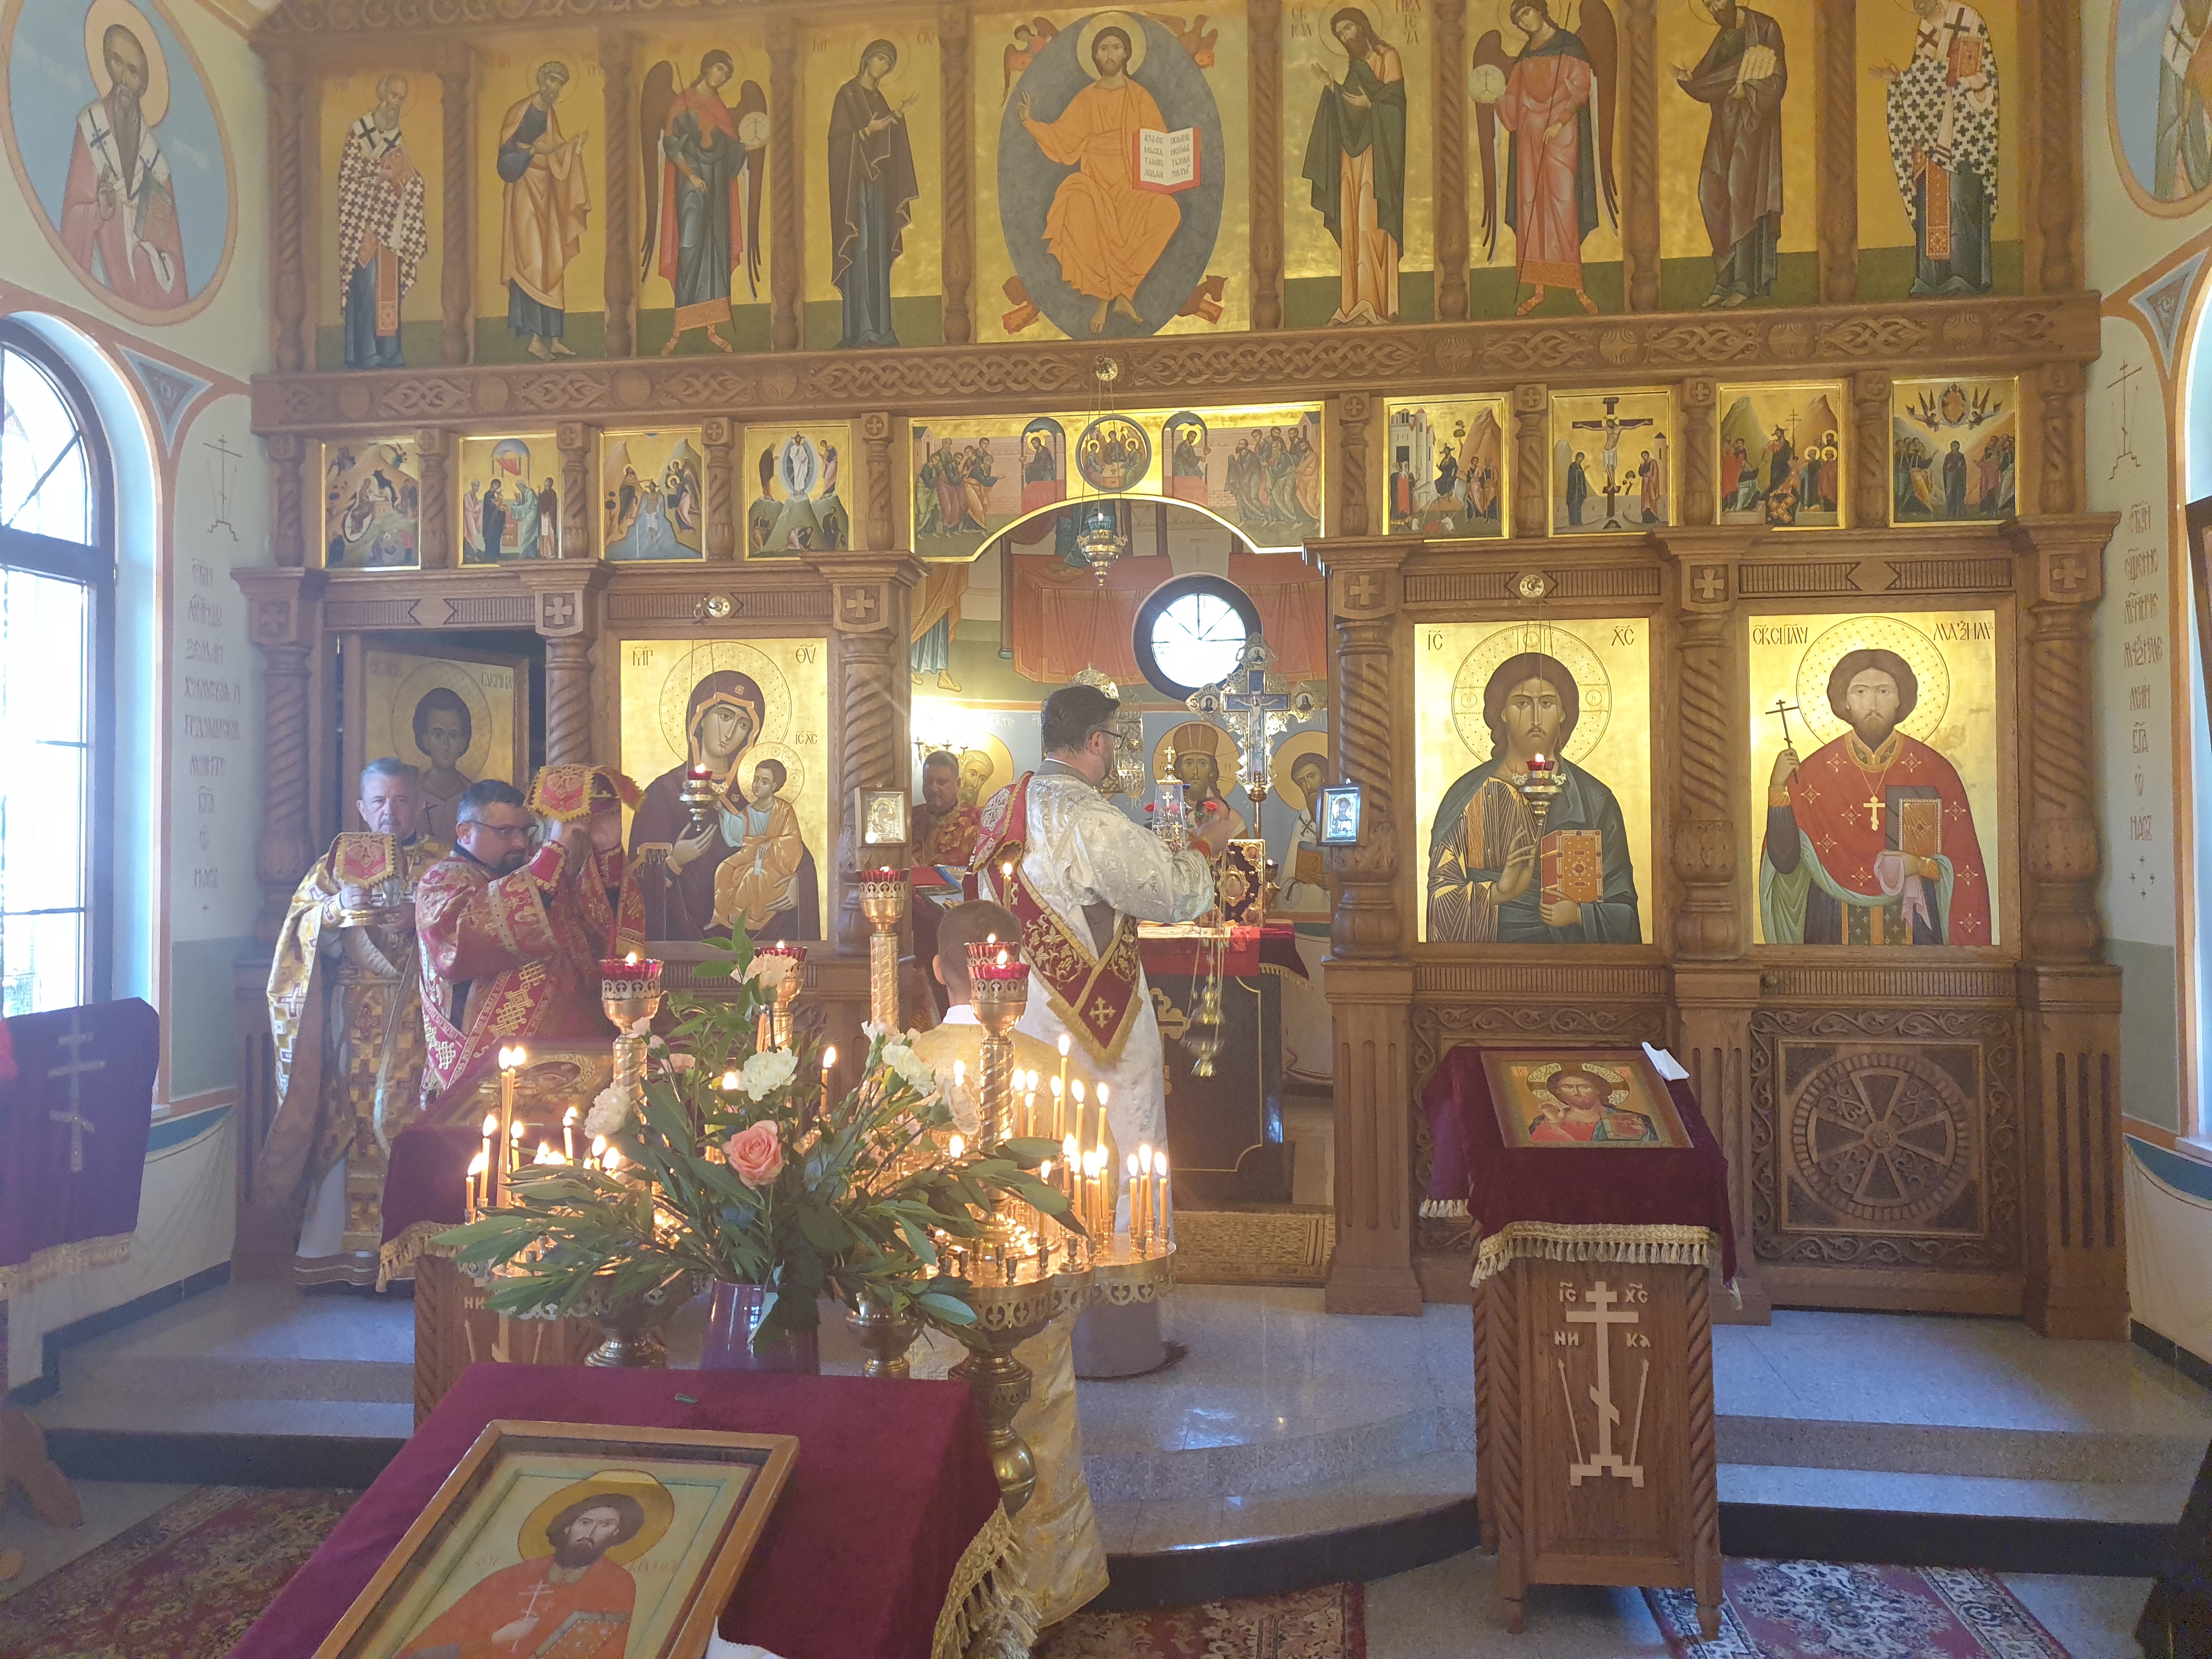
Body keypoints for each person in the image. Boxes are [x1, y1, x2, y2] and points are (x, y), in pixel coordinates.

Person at [905, 901, 1112, 1628]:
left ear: (939, 970)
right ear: (1017, 972)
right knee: (1038, 1432)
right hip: (1035, 1302)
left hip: (930, 1307)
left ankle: (943, 1601)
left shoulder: (903, 1066)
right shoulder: (1055, 1072)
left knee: (936, 1438)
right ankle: (1039, 1601)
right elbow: (1097, 1195)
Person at [974, 684, 1233, 1170]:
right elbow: (1175, 893)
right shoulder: (1090, 818)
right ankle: (1122, 1222)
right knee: (1115, 1141)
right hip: (1092, 1026)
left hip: (1018, 1012)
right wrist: (1206, 846)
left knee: (1037, 1142)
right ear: (1096, 741)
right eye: (1114, 739)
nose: (1115, 749)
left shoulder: (1003, 806)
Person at [260, 760, 445, 1288]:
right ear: (362, 809)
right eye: (379, 801)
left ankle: (411, 1260)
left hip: (418, 1016)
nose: (391, 812)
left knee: (411, 1120)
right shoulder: (335, 865)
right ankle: (338, 1254)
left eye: (402, 800)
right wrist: (335, 910)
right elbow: (295, 933)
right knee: (349, 1118)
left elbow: (466, 925)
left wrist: (420, 918)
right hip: (352, 1018)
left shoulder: (441, 864)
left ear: (420, 805)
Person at [415, 771, 644, 1102]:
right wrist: (554, 848)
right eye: (506, 831)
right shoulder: (442, 882)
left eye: (526, 831)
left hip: (566, 1063)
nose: (520, 843)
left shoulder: (541, 880)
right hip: (482, 1068)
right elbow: (462, 947)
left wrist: (607, 848)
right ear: (465, 832)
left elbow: (598, 938)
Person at [1761, 648, 1990, 945]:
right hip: (1832, 924)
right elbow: (1786, 861)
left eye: (1884, 691)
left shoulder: (1935, 771)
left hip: (1916, 930)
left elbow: (1964, 862)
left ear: (1900, 700)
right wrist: (1778, 788)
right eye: (1860, 692)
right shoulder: (1812, 773)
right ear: (1845, 701)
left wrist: (1921, 866)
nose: (1872, 703)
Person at [1426, 652, 1639, 944]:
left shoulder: (1594, 800)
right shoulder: (1468, 797)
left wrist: (1581, 914)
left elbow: (1625, 910)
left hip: (1574, 961)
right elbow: (1440, 902)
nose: (1536, 718)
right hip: (1490, 961)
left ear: (1563, 713)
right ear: (1503, 712)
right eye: (1522, 703)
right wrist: (1499, 892)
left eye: (1547, 704)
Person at [1018, 25, 1182, 336]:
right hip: (1094, 183)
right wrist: (1030, 123)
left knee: (1168, 212)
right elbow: (1063, 139)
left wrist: (1183, 155)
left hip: (1133, 187)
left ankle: (1115, 295)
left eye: (1116, 47)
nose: (1110, 54)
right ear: (1094, 55)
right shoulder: (1086, 99)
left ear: (1126, 54)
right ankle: (1113, 297)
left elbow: (1158, 144)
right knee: (1075, 204)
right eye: (1103, 48)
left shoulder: (1140, 98)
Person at [398, 1477, 654, 1659]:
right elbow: (422, 1652)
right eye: (585, 1522)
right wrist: (494, 1641)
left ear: (617, 1533)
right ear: (568, 1526)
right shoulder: (508, 1579)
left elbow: (606, 1651)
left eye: (606, 1525)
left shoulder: (615, 1583)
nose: (592, 1532)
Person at [1871, 0, 1998, 297]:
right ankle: (1933, 279)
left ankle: (1964, 276)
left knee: (1960, 197)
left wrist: (1917, 80)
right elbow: (1925, 77)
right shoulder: (1926, 27)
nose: (1917, 7)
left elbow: (1976, 74)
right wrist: (1902, 80)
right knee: (1930, 199)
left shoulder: (1968, 19)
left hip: (1965, 134)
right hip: (1932, 133)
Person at [61, 24, 189, 313]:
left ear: (144, 84)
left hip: (142, 280)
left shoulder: (156, 161)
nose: (122, 78)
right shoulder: (92, 126)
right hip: (100, 266)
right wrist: (99, 211)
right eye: (117, 62)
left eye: (133, 71)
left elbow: (170, 251)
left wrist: (148, 253)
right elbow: (74, 214)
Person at [1489, 1, 1603, 317]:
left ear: (1541, 10)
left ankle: (1577, 286)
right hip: (1529, 140)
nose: (1523, 22)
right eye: (1517, 19)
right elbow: (1512, 98)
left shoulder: (1571, 46)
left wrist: (1560, 122)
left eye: (1526, 13)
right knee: (1531, 206)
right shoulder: (1525, 55)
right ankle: (1538, 289)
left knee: (1564, 204)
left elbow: (1580, 90)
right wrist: (1492, 95)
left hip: (1560, 138)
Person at [1672, 0, 1787, 307]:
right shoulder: (1724, 36)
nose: (1713, 9)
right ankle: (1724, 277)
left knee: (1741, 195)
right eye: (1707, 4)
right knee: (1709, 191)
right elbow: (1711, 77)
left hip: (1752, 129)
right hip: (1723, 124)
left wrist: (1747, 89)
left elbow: (1777, 81)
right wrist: (1691, 79)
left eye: (1716, 1)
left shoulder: (1766, 27)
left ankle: (1742, 282)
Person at [1302, 8, 1407, 326]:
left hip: (1378, 155)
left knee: (1370, 224)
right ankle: (1353, 305)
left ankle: (1376, 305)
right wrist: (1332, 87)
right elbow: (1349, 104)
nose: (1345, 37)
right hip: (1351, 157)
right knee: (1352, 225)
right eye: (1340, 34)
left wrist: (1371, 104)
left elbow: (1396, 103)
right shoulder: (1355, 66)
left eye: (1348, 28)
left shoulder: (1387, 57)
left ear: (1362, 26)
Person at [652, 50, 761, 356]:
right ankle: (680, 326)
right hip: (691, 187)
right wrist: (691, 175)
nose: (722, 77)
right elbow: (671, 146)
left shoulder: (719, 107)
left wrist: (747, 145)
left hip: (717, 189)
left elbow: (728, 151)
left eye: (727, 74)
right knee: (689, 246)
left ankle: (712, 327)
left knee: (716, 249)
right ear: (705, 68)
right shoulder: (682, 103)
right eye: (719, 69)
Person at [829, 41, 922, 348]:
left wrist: (897, 116)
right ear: (867, 59)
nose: (883, 67)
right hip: (854, 189)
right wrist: (866, 132)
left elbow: (886, 137)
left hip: (879, 188)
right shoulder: (847, 94)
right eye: (880, 59)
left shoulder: (879, 98)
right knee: (861, 247)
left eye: (888, 64)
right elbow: (837, 143)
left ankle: (881, 329)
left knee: (878, 251)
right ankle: (859, 330)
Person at [497, 61, 591, 361]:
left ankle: (554, 337)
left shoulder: (551, 115)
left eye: (560, 83)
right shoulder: (519, 112)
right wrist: (534, 151)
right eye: (552, 80)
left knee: (552, 260)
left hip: (547, 191)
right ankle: (535, 340)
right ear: (541, 80)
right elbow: (504, 162)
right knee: (533, 261)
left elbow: (557, 152)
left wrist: (574, 148)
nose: (555, 88)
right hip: (525, 191)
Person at [336, 75, 427, 369]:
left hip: (390, 228)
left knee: (389, 288)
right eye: (393, 96)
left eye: (401, 98)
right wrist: (380, 175)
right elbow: (347, 181)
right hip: (363, 227)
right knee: (367, 287)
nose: (396, 104)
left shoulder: (395, 137)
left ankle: (389, 352)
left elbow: (407, 176)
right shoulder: (359, 131)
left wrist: (412, 184)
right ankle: (365, 352)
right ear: (381, 95)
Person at [710, 758, 819, 938]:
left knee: (751, 876)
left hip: (773, 859)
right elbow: (737, 833)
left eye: (765, 781)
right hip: (749, 853)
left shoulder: (784, 810)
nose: (757, 784)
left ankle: (742, 915)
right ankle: (721, 916)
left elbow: (793, 839)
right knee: (724, 869)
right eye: (756, 779)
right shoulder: (748, 810)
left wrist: (773, 843)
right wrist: (722, 811)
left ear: (775, 786)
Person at [411, 687, 476, 845]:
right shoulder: (412, 794)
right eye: (438, 735)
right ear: (425, 740)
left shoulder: (475, 797)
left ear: (463, 742)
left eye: (453, 736)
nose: (446, 745)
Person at [1527, 1068, 1656, 1144]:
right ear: (1558, 1091)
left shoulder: (1631, 1119)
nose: (1576, 1092)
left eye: (1584, 1087)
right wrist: (1554, 1125)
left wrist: (1646, 1136)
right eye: (1568, 1087)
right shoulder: (1544, 1122)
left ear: (1598, 1089)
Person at [1277, 752, 1332, 913]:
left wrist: (1333, 880)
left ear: (1324, 776)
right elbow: (1289, 877)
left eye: (1312, 776)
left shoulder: (1342, 809)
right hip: (1308, 902)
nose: (1308, 787)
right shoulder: (1304, 818)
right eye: (1301, 782)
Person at [912, 750, 981, 865]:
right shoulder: (910, 818)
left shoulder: (977, 821)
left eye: (942, 782)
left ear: (958, 784)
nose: (934, 789)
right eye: (928, 781)